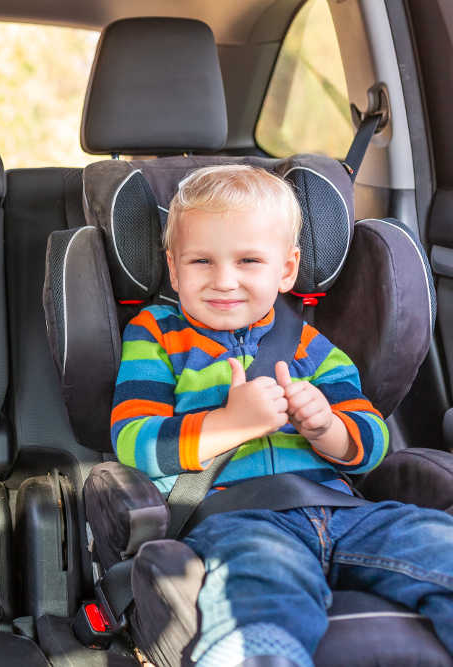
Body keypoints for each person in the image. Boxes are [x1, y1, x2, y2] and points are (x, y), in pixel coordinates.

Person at [109, 165, 453, 667]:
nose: (224, 280)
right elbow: (134, 440)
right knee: (264, 592)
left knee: (436, 545)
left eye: (249, 260)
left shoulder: (312, 346)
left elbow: (372, 438)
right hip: (239, 518)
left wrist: (328, 429)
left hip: (346, 514)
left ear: (287, 269)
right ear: (174, 267)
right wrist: (230, 425)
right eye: (201, 261)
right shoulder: (156, 335)